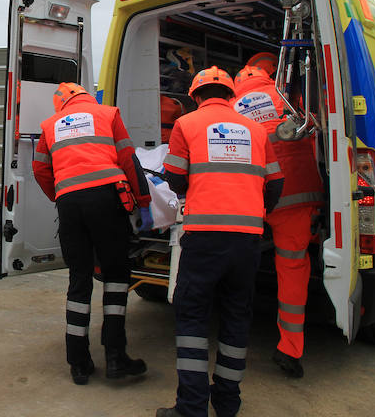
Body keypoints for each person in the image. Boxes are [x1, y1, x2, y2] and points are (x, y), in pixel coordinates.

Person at [157, 67, 284, 417]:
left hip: (204, 236)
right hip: (247, 240)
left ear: (196, 95)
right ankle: (227, 403)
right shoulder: (258, 131)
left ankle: (191, 408)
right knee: (236, 316)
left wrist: (194, 191)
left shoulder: (188, 124)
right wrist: (255, 213)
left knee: (193, 318)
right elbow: (275, 184)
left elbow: (175, 176)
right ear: (231, 95)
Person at [32, 82, 151, 385]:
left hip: (70, 203)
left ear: (62, 105)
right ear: (86, 96)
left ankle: (79, 363)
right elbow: (127, 159)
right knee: (115, 276)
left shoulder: (50, 125)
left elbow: (40, 169)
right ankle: (115, 357)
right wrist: (144, 200)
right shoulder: (108, 113)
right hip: (107, 198)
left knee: (79, 279)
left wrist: (60, 195)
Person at [232, 65, 323, 378]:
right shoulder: (289, 97)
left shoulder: (232, 108)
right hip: (299, 196)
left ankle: (231, 337)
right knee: (292, 268)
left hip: (255, 196)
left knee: (238, 263)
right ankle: (290, 349)